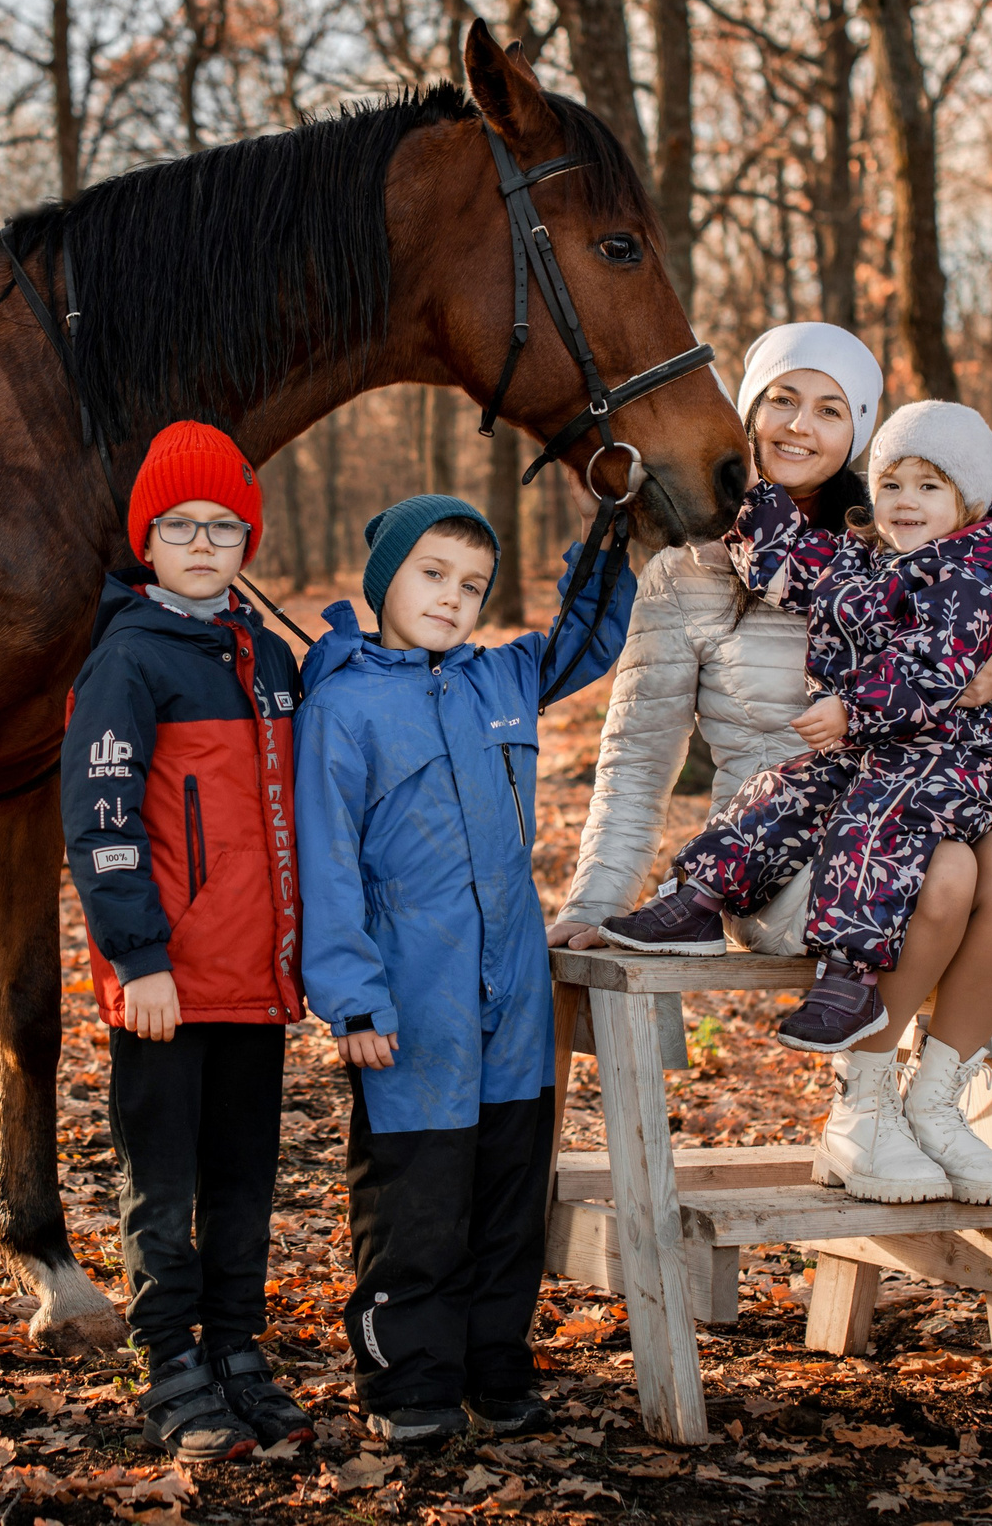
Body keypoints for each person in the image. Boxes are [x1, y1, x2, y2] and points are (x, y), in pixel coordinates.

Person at [550, 324, 992, 1213]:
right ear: (745, 415)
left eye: (831, 409)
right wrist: (597, 900)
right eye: (782, 399)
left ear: (858, 433)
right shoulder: (689, 572)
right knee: (941, 868)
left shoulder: (901, 540)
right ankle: (861, 1106)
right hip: (777, 850)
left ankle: (931, 1102)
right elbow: (637, 755)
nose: (800, 425)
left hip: (908, 803)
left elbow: (965, 648)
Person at [296, 494, 634, 1446]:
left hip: (515, 987)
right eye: (431, 574)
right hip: (411, 993)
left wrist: (613, 530)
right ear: (385, 581)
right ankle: (413, 1383)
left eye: (473, 585)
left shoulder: (506, 679)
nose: (452, 597)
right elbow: (324, 862)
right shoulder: (343, 704)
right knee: (420, 1200)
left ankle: (497, 1366)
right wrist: (354, 997)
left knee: (506, 1191)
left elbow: (592, 631)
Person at [60, 420, 311, 1463]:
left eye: (223, 525)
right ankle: (169, 1359)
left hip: (257, 976)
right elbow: (100, 819)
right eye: (179, 525)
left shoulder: (273, 661)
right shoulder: (127, 660)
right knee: (162, 1177)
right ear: (147, 538)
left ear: (247, 540)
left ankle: (237, 1347)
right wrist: (138, 956)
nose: (203, 543)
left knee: (246, 1173)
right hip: (168, 979)